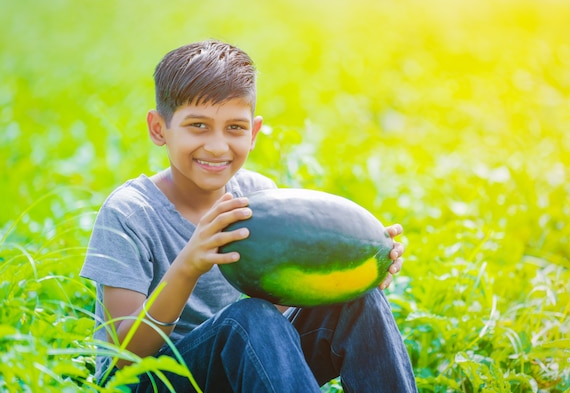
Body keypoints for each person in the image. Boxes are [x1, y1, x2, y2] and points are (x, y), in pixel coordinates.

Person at [81, 39, 418, 393]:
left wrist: (360, 268)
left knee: (356, 301)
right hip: (147, 381)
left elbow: (279, 315)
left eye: (235, 128)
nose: (216, 145)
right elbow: (124, 355)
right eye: (198, 125)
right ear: (158, 129)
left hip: (239, 364)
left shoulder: (256, 195)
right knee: (248, 320)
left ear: (254, 133)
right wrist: (189, 265)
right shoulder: (131, 213)